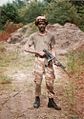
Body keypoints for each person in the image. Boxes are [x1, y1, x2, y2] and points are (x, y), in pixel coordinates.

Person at [24, 16, 61, 110]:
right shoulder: (33, 36)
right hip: (38, 61)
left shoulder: (51, 36)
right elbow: (26, 48)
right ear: (37, 25)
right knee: (37, 82)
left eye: (43, 23)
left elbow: (52, 48)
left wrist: (54, 57)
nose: (42, 25)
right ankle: (37, 99)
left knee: (50, 81)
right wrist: (37, 52)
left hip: (48, 61)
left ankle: (51, 101)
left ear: (46, 24)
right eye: (40, 23)